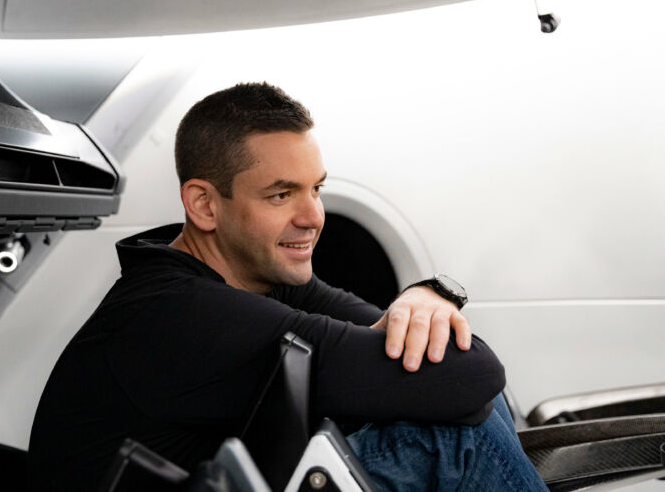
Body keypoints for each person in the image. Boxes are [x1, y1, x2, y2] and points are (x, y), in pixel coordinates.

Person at [29, 83, 547, 491]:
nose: (313, 217)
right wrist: (427, 314)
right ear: (205, 205)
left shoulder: (255, 274)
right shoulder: (178, 313)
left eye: (316, 189)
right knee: (453, 439)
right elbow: (470, 375)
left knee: (451, 408)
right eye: (281, 195)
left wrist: (421, 295)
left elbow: (435, 355)